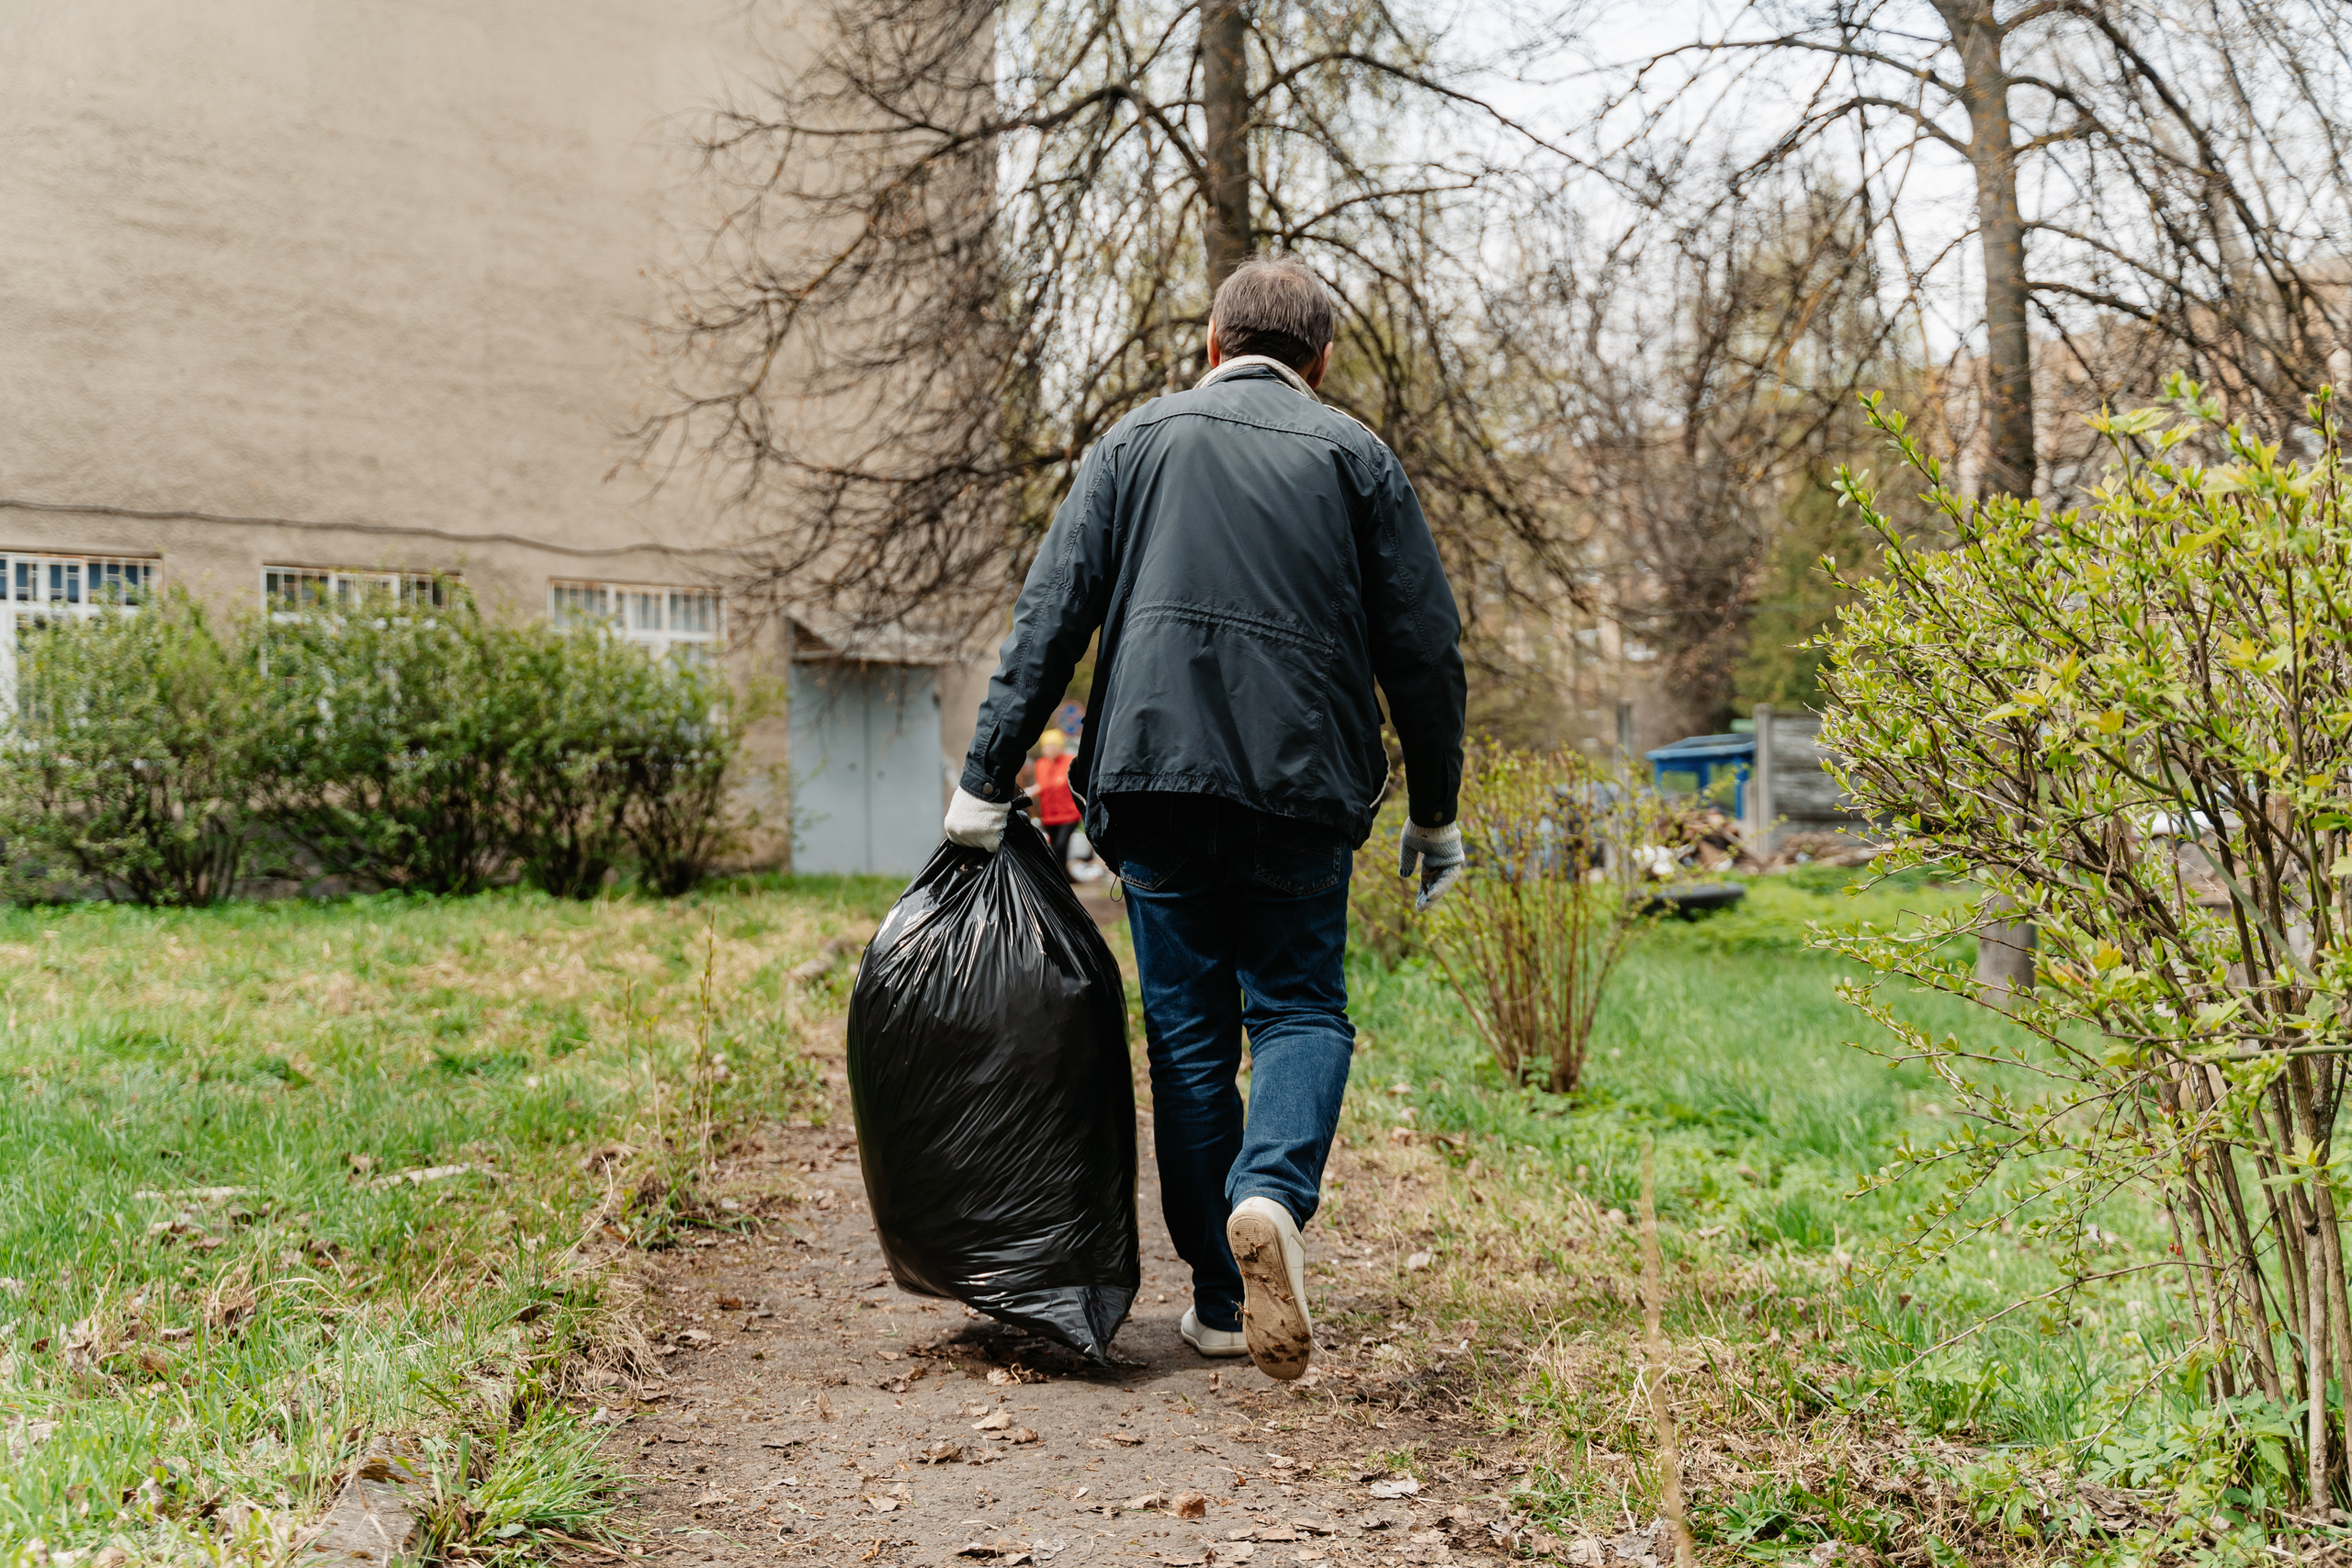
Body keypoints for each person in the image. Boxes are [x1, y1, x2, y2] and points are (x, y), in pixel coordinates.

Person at [942, 255, 1466, 1382]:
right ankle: (1269, 1190)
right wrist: (1436, 814)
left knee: (1187, 1040)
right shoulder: (1356, 457)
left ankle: (1222, 1303)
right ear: (1320, 361)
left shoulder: (1131, 444)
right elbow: (1425, 650)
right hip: (1300, 789)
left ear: (1214, 346)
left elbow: (1051, 616)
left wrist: (986, 778)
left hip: (1153, 783)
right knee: (1298, 1008)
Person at [1031, 728, 1082, 874]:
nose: (1050, 749)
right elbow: (1042, 785)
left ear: (1060, 746)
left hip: (1069, 814)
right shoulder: (1040, 764)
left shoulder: (1070, 761)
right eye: (1047, 746)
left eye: (1054, 745)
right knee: (1055, 847)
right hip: (1049, 815)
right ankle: (1064, 876)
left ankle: (1063, 876)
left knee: (1061, 844)